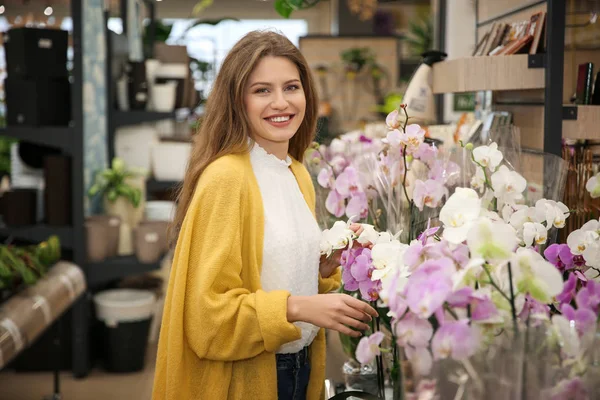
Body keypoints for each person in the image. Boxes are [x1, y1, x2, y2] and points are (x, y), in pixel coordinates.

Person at [152, 30, 378, 400]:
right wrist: (299, 307)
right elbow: (208, 321)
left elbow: (270, 272)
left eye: (291, 87)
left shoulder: (295, 172)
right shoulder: (226, 178)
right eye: (262, 90)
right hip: (250, 377)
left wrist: (322, 266)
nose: (281, 102)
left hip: (299, 368)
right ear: (237, 101)